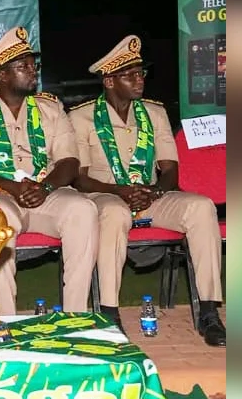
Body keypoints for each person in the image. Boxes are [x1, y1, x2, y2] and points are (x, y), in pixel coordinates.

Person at [69, 35, 226, 346]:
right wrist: (119, 191)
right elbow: (79, 178)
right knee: (113, 213)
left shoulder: (154, 113)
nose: (140, 80)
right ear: (110, 81)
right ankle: (109, 314)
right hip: (105, 194)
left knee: (201, 206)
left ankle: (209, 312)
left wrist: (155, 191)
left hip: (150, 195)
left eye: (141, 73)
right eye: (131, 75)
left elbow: (170, 168)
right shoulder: (81, 117)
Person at [0, 26, 99, 316]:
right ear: (2, 75)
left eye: (34, 65)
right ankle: (6, 319)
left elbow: (69, 161)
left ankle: (75, 318)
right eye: (24, 66)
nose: (33, 71)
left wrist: (45, 188)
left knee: (83, 209)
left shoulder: (51, 107)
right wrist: (15, 189)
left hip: (44, 192)